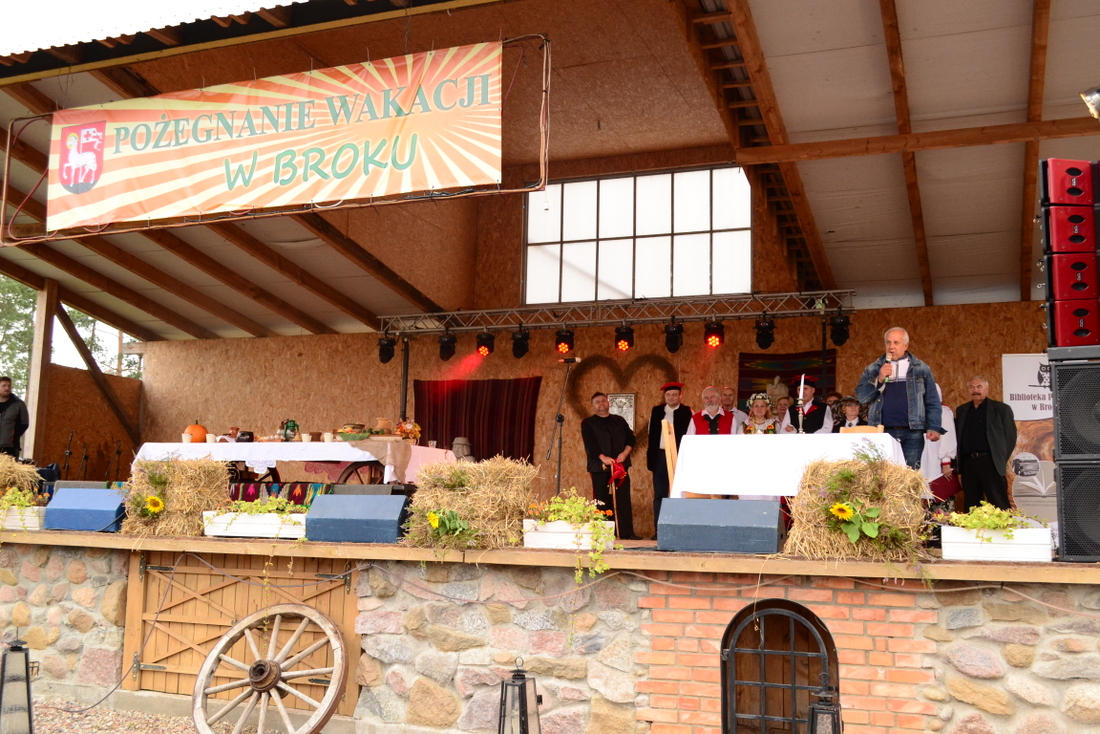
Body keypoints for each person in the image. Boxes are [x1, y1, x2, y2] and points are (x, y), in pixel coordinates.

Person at [856, 327, 944, 469]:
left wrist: (934, 427)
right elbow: (862, 398)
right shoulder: (874, 368)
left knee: (909, 475)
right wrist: (879, 379)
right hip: (883, 431)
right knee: (883, 475)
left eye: (896, 343)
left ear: (906, 346)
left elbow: (932, 401)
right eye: (888, 342)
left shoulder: (921, 368)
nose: (891, 347)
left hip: (912, 432)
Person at [955, 376, 1017, 510]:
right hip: (968, 464)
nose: (975, 391)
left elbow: (1010, 437)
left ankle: (1003, 524)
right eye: (971, 387)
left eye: (979, 387)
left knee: (998, 502)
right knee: (971, 504)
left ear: (987, 389)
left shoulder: (1001, 409)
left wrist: (999, 459)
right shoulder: (962, 410)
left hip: (990, 462)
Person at [581, 392, 637, 539]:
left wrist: (625, 453)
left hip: (620, 467)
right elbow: (590, 445)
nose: (601, 404)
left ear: (608, 403)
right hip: (599, 467)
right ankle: (604, 533)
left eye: (603, 401)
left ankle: (626, 533)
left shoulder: (619, 420)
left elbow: (631, 439)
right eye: (597, 402)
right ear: (593, 406)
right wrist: (603, 458)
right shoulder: (588, 423)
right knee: (602, 499)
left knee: (623, 498)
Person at [647, 381, 693, 525]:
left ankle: (678, 525)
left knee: (679, 493)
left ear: (680, 396)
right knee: (660, 494)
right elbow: (651, 434)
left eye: (674, 395)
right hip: (660, 456)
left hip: (679, 457)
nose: (671, 397)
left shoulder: (687, 412)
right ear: (665, 396)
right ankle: (659, 528)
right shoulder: (657, 411)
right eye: (668, 395)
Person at [0, 376, 29, 459]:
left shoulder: (19, 404)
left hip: (10, 447)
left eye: (9, 386)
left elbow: (24, 424)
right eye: (4, 385)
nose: (7, 388)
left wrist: (14, 436)